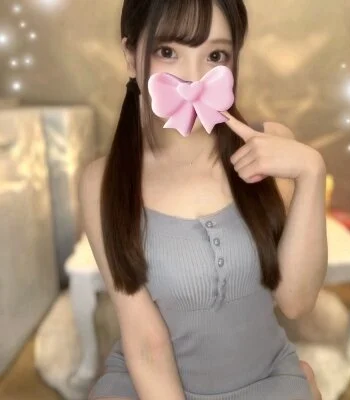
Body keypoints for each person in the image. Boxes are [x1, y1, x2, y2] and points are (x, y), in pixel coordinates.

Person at [79, 0, 327, 399]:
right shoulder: (101, 182)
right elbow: (145, 342)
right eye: (167, 51)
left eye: (215, 56)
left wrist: (311, 172)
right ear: (130, 56)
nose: (193, 78)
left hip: (265, 380)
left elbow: (296, 302)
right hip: (151, 385)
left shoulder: (271, 146)